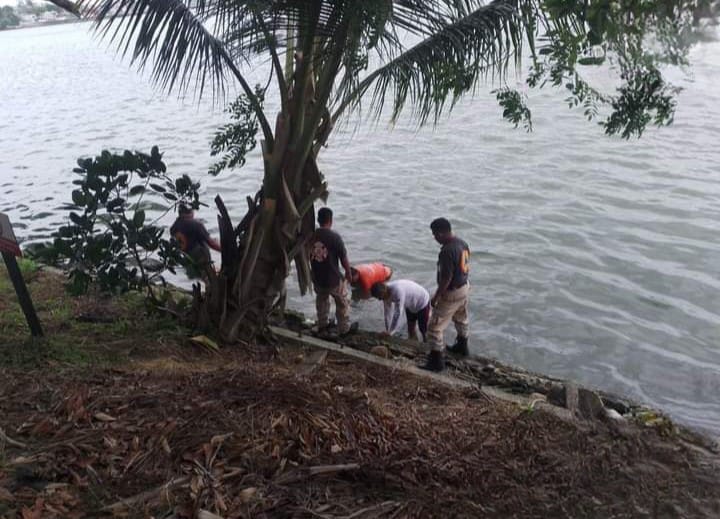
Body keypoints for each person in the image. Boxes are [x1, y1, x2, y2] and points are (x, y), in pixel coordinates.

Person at [423, 217, 470, 372]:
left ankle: (436, 362)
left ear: (442, 233)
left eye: (435, 234)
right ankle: (462, 346)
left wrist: (437, 296)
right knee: (460, 317)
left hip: (451, 292)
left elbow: (446, 278)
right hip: (464, 287)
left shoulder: (447, 251)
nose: (434, 238)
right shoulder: (462, 243)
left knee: (434, 327)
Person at [309, 207, 358, 336]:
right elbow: (343, 257)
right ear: (330, 220)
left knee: (322, 301)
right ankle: (344, 328)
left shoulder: (312, 235)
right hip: (333, 279)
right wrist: (348, 272)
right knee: (342, 303)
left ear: (318, 220)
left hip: (317, 278)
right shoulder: (334, 237)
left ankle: (322, 325)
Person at [170, 204, 221, 279]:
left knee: (196, 277)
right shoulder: (196, 225)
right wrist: (224, 250)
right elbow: (211, 243)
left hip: (186, 258)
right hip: (199, 256)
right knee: (208, 277)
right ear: (191, 212)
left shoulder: (174, 227)